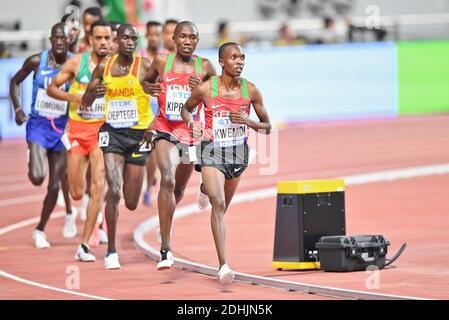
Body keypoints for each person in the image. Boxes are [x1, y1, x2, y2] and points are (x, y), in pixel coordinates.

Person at [181, 42, 271, 283]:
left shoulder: (251, 90)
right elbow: (186, 109)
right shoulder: (206, 89)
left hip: (237, 153)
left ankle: (203, 188)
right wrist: (192, 123)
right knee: (218, 204)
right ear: (222, 62)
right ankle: (223, 265)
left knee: (222, 205)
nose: (239, 61)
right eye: (234, 57)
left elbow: (267, 127)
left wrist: (247, 121)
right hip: (211, 150)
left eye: (242, 57)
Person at [81, 24, 156, 269]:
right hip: (112, 134)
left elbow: (161, 94)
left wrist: (152, 125)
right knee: (113, 190)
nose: (131, 41)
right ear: (118, 40)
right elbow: (85, 101)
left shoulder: (145, 66)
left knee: (131, 201)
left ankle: (128, 187)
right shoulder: (105, 66)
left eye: (134, 38)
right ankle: (111, 251)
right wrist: (94, 92)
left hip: (138, 136)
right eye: (126, 37)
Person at [144, 21, 216, 270]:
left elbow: (216, 97)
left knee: (178, 190)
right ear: (174, 39)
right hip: (164, 127)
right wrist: (150, 88)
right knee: (167, 179)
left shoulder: (204, 66)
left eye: (193, 37)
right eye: (183, 36)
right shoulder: (162, 62)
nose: (187, 41)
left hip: (190, 132)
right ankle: (165, 249)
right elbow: (146, 82)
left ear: (197, 40)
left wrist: (201, 89)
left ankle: (167, 218)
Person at [47, 20, 113, 261]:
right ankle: (87, 210)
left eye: (108, 38)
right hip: (77, 131)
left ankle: (84, 244)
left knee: (98, 186)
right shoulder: (77, 62)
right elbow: (52, 88)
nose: (104, 42)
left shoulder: (117, 65)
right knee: (76, 193)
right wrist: (73, 96)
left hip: (101, 133)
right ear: (90, 40)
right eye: (99, 38)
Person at [9, 23, 76, 248]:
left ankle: (40, 230)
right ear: (50, 39)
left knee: (55, 186)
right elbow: (14, 81)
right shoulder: (36, 61)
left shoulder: (75, 64)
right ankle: (33, 154)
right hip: (38, 126)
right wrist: (18, 108)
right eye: (56, 38)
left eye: (63, 39)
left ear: (68, 41)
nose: (59, 42)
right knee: (37, 177)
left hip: (61, 128)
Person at [141, 20, 163, 207]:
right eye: (151, 34)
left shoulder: (166, 59)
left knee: (153, 150)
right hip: (141, 106)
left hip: (159, 108)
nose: (154, 37)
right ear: (146, 36)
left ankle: (148, 188)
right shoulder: (139, 57)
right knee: (144, 152)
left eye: (158, 34)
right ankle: (148, 177)